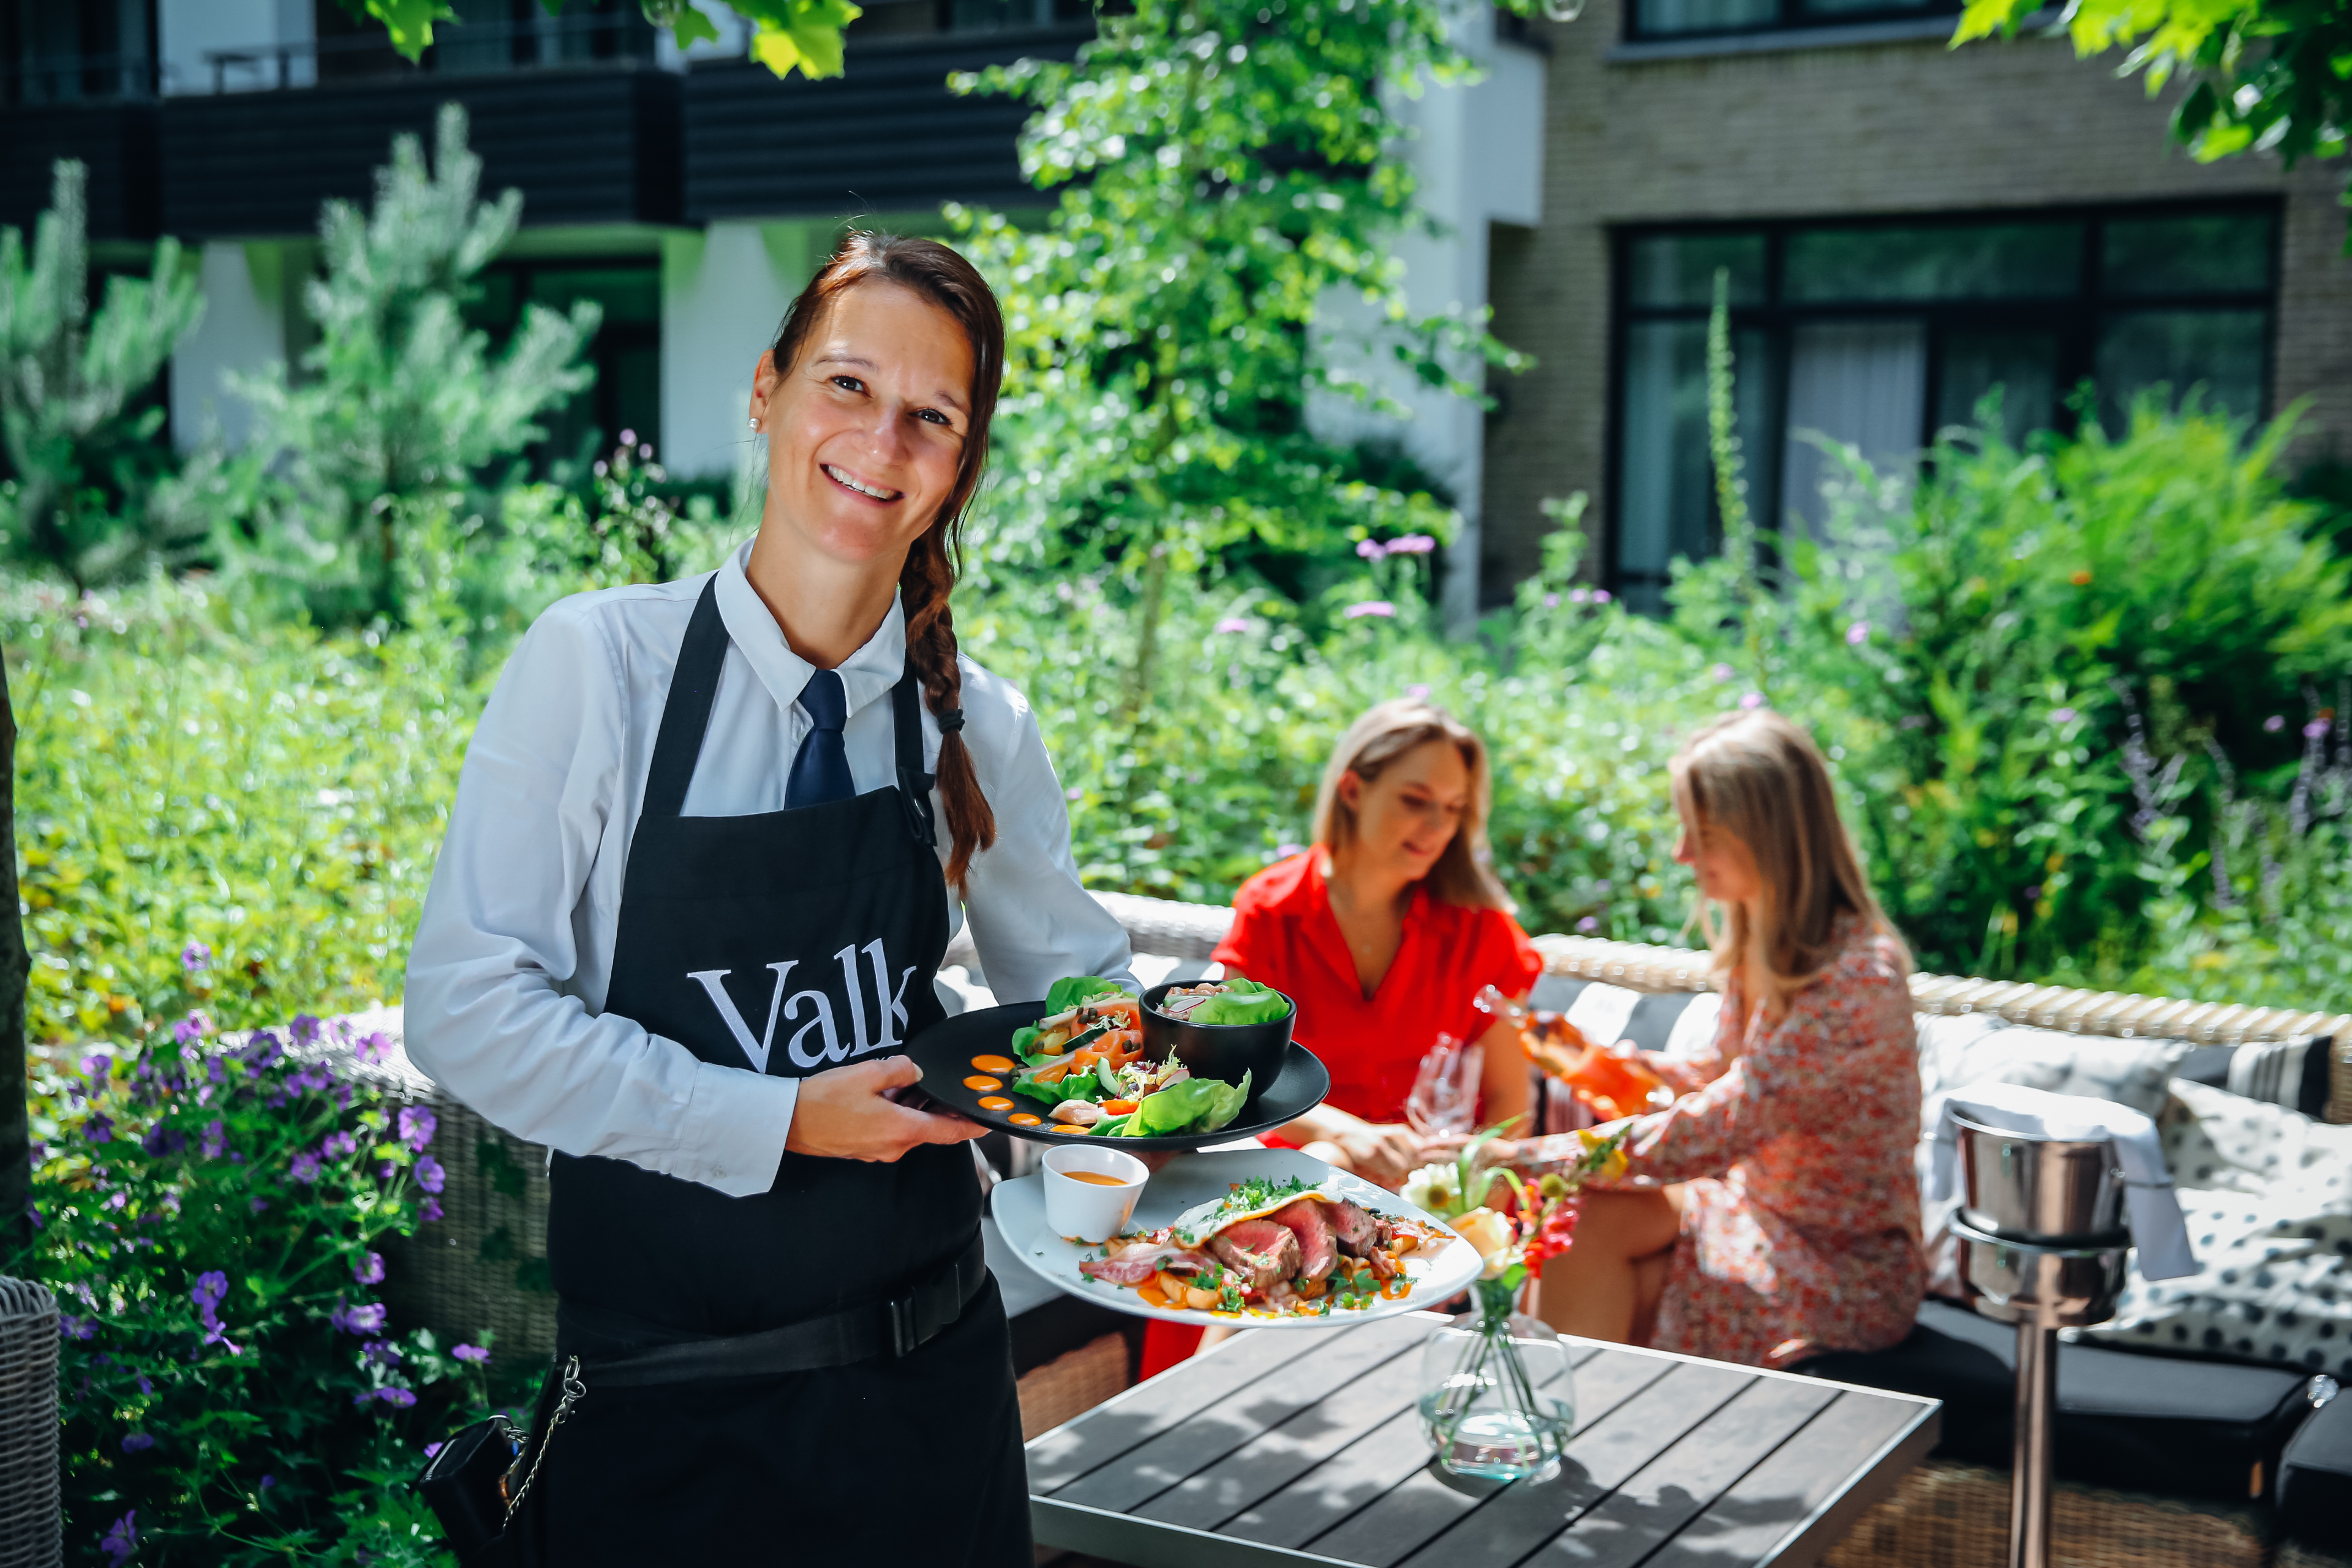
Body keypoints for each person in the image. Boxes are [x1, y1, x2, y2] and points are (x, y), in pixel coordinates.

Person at [404, 233, 1133, 1564]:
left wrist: (1264, 1156)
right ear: (766, 390)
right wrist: (780, 1118)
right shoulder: (598, 665)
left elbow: (1078, 1010)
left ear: (960, 463)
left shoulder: (978, 725)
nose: (881, 438)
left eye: (933, 416)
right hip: (672, 1428)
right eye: (847, 384)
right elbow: (466, 1009)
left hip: (934, 1415)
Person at [1476, 709, 1923, 1369]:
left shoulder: (1856, 983)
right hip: (1755, 1209)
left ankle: (1567, 1423)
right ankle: (1563, 1421)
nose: (1683, 853)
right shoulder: (1772, 943)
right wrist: (1600, 1063)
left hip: (1842, 1266)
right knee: (1580, 1216)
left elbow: (1717, 1128)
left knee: (1586, 1228)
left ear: (1771, 838)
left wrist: (1520, 1159)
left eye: (1705, 834)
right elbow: (1721, 1072)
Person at [1217, 699, 1542, 1185]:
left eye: (1453, 809)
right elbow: (1230, 1070)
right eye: (1415, 800)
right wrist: (1347, 1134)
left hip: (1437, 1185)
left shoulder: (1480, 930)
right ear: (1352, 789)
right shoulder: (1272, 910)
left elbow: (1509, 1108)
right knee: (1329, 1163)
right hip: (1302, 1171)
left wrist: (1467, 1184)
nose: (1437, 828)